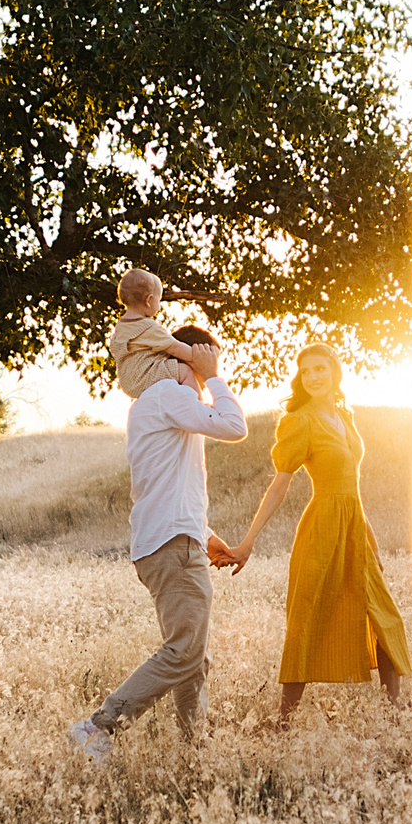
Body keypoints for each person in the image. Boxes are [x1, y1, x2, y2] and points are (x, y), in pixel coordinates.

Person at [68, 324, 246, 762]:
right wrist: (214, 375)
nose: (203, 381)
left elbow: (167, 481)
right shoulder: (171, 394)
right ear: (186, 358)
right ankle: (98, 726)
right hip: (172, 544)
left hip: (168, 539)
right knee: (185, 650)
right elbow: (234, 425)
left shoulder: (151, 403)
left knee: (191, 653)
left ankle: (195, 747)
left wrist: (205, 535)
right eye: (200, 367)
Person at [216, 342, 411, 722]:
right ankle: (284, 720)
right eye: (306, 372)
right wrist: (248, 541)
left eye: (320, 369)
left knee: (385, 614)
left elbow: (353, 487)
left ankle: (395, 713)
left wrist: (370, 540)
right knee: (306, 617)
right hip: (322, 526)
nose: (314, 377)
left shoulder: (346, 418)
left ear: (334, 372)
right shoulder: (300, 421)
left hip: (354, 526)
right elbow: (279, 486)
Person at [106, 268, 205, 400]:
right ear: (149, 300)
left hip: (127, 381)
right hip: (145, 376)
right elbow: (175, 348)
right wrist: (198, 356)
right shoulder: (147, 328)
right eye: (159, 299)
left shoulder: (121, 326)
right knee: (184, 371)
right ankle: (199, 406)